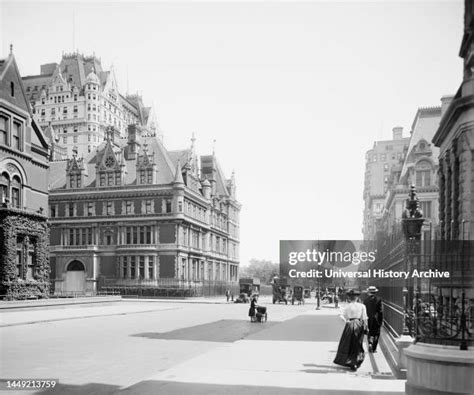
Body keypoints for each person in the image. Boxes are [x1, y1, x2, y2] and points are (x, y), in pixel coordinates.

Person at [334, 289, 368, 371]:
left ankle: (349, 361)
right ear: (357, 297)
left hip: (349, 324)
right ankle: (356, 362)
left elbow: (341, 316)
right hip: (358, 325)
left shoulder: (347, 306)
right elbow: (364, 318)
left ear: (349, 298)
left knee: (348, 343)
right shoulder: (362, 306)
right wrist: (366, 327)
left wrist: (347, 321)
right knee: (357, 343)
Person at [363, 286, 383, 353]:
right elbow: (380, 311)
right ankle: (374, 348)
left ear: (369, 292)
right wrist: (381, 321)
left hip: (368, 319)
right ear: (375, 292)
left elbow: (364, 311)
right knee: (376, 334)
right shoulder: (379, 299)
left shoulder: (365, 300)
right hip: (376, 319)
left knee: (370, 332)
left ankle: (370, 343)